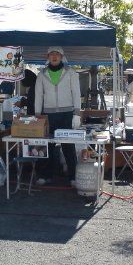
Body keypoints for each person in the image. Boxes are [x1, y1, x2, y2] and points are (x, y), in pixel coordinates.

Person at [35, 47, 81, 186]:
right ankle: (45, 175)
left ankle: (73, 177)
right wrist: (38, 114)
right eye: (51, 54)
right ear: (48, 56)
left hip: (67, 113)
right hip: (48, 114)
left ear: (62, 56)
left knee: (68, 146)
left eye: (57, 54)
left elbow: (76, 93)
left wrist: (77, 113)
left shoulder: (70, 72)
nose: (54, 57)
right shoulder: (42, 74)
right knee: (46, 145)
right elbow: (38, 95)